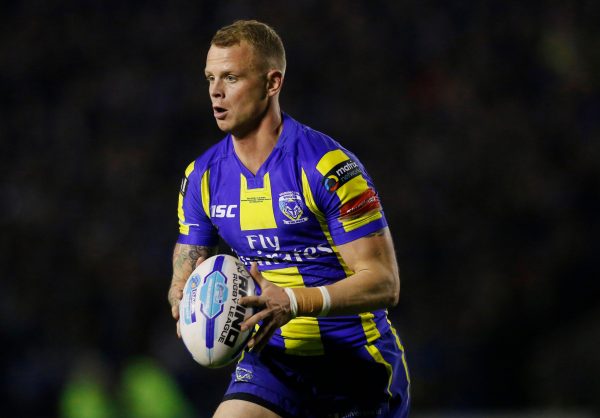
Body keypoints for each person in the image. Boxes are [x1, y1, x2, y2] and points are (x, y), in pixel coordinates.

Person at [168, 19, 410, 418]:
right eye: (210, 78)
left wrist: (295, 301)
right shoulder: (202, 178)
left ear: (272, 83)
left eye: (231, 77)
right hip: (273, 364)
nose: (215, 91)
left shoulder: (327, 167)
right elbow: (188, 263)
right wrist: (182, 295)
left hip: (354, 363)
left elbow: (384, 281)